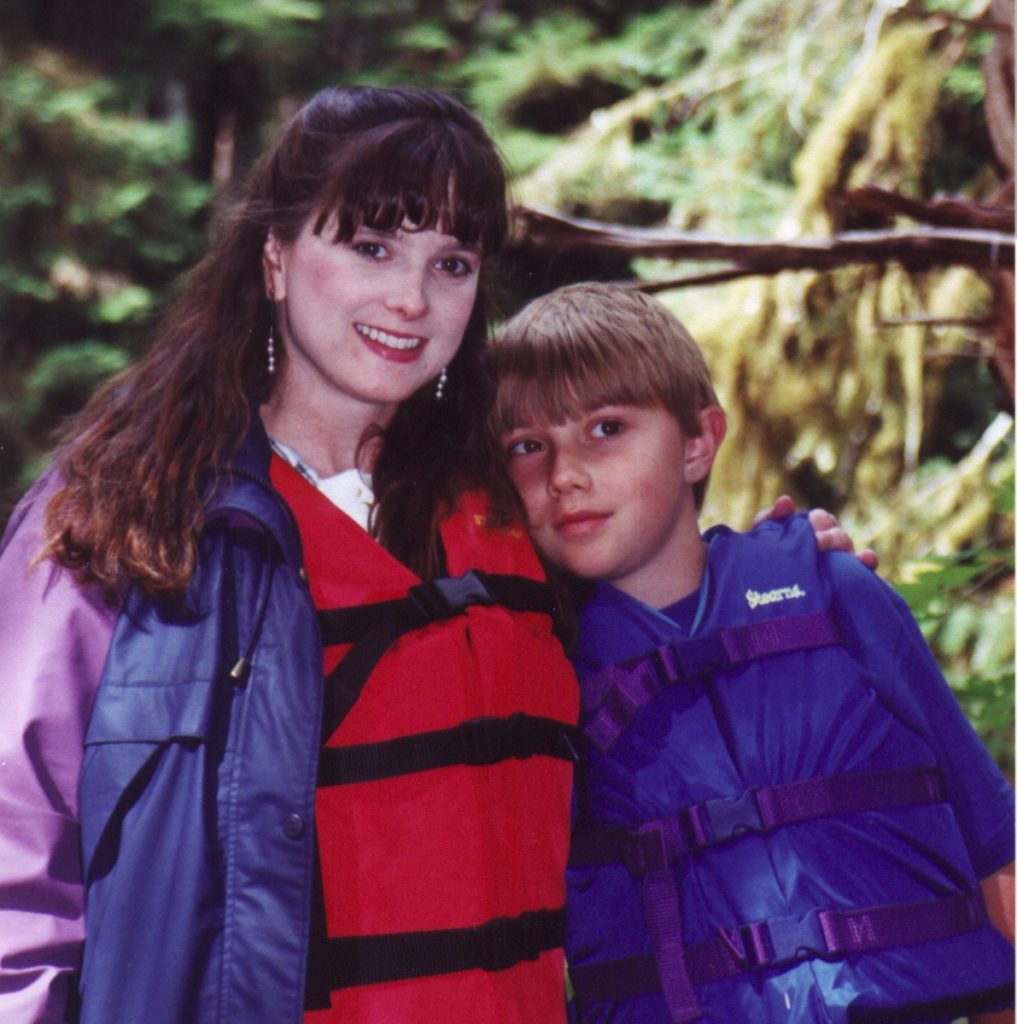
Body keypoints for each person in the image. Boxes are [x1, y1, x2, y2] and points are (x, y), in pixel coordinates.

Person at [0, 85, 581, 1024]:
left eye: (453, 262)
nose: (411, 298)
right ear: (274, 259)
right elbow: (15, 861)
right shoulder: (126, 518)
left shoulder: (513, 515)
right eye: (371, 246)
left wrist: (781, 575)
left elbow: (662, 660)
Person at [488, 282, 1015, 1024]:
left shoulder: (836, 596)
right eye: (526, 447)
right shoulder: (535, 678)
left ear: (698, 441)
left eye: (606, 429)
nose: (564, 474)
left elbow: (992, 844)